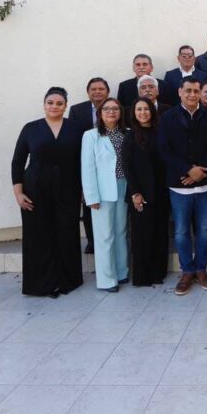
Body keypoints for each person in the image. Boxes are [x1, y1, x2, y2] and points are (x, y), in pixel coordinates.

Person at [11, 87, 84, 297]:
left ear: (65, 106)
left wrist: (83, 190)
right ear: (44, 104)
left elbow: (82, 161)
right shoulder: (30, 128)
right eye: (50, 102)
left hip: (68, 187)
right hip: (35, 188)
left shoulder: (75, 128)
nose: (54, 106)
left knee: (66, 233)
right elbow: (17, 162)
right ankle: (40, 284)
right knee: (38, 236)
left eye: (59, 103)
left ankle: (67, 281)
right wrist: (18, 193)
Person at [157, 77, 207, 295]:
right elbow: (164, 150)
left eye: (196, 91)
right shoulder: (167, 117)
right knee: (181, 231)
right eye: (188, 91)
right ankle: (187, 271)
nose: (193, 95)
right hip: (179, 185)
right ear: (179, 92)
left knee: (204, 229)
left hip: (206, 184)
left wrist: (200, 172)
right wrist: (188, 170)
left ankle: (201, 270)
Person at [80, 97, 130, 292]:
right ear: (100, 114)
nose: (111, 112)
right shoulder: (91, 136)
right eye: (107, 109)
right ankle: (107, 279)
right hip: (101, 191)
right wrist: (91, 197)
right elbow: (87, 168)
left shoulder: (127, 133)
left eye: (115, 109)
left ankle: (121, 271)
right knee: (104, 235)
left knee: (121, 231)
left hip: (124, 187)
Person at [124, 97, 169, 286]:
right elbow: (128, 167)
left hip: (162, 190)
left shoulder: (161, 132)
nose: (142, 112)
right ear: (134, 113)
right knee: (142, 235)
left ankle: (158, 272)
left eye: (146, 109)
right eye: (139, 109)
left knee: (160, 232)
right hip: (141, 193)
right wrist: (135, 193)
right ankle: (142, 275)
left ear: (152, 111)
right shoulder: (130, 135)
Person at [68, 77, 110, 254]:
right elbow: (72, 137)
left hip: (109, 162)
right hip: (86, 160)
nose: (97, 92)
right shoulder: (77, 110)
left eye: (101, 89)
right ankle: (92, 241)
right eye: (94, 89)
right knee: (88, 202)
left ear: (107, 92)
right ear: (88, 92)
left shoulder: (116, 107)